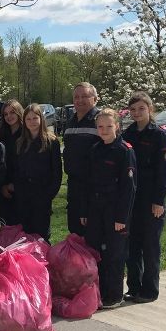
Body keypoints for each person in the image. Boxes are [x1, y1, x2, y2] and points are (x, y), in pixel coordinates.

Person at [81, 108, 137, 309]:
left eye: (109, 126)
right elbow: (88, 184)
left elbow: (128, 188)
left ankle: (114, 295)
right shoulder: (95, 150)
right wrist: (85, 212)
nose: (104, 130)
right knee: (96, 251)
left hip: (115, 211)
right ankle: (99, 293)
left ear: (117, 127)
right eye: (100, 126)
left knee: (114, 254)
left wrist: (122, 217)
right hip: (96, 209)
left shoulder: (125, 150)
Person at [122, 91, 166, 303]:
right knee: (132, 246)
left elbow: (163, 171)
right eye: (133, 109)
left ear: (150, 109)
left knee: (150, 247)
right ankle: (134, 287)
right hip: (133, 199)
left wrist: (159, 200)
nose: (137, 113)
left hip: (152, 199)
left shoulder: (159, 135)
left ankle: (150, 290)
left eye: (141, 108)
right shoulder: (128, 134)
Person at [12, 103, 63, 242]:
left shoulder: (51, 141)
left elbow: (57, 171)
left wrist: (49, 194)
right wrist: (19, 190)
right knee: (26, 232)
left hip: (43, 193)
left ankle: (43, 261)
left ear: (41, 119)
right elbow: (17, 170)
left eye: (35, 118)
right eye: (28, 119)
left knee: (42, 234)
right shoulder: (20, 142)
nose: (32, 122)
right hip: (24, 194)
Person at [63, 82, 101, 235]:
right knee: (75, 231)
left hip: (94, 187)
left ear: (95, 99)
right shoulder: (71, 122)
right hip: (74, 186)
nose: (80, 100)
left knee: (92, 234)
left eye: (85, 96)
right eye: (76, 97)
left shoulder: (100, 121)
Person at [0, 99, 24, 225]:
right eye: (6, 114)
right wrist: (4, 185)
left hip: (23, 187)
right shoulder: (2, 135)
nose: (9, 116)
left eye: (12, 112)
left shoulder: (26, 134)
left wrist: (15, 185)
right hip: (4, 188)